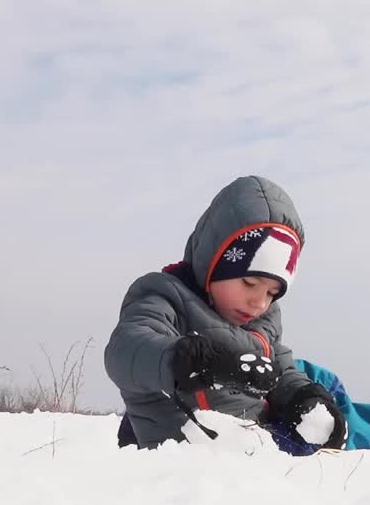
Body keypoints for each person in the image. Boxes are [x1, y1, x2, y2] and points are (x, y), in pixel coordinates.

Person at [104, 175, 347, 455]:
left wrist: (304, 397)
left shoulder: (262, 323)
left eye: (272, 293)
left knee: (326, 390)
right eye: (250, 284)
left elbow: (281, 372)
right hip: (189, 453)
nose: (259, 302)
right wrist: (186, 360)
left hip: (260, 444)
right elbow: (125, 349)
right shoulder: (166, 298)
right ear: (214, 262)